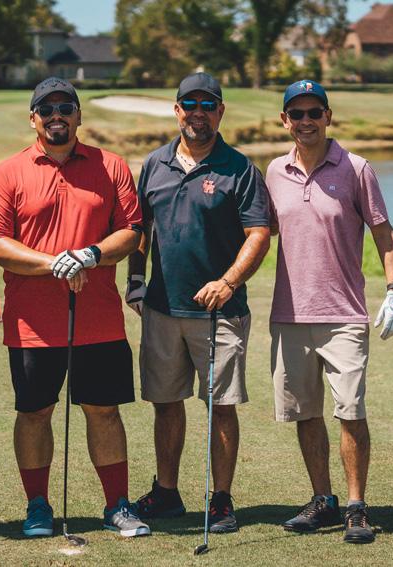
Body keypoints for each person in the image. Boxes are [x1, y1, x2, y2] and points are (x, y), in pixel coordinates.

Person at [0, 77, 150, 538]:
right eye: (47, 109)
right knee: (34, 413)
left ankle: (117, 505)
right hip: (32, 322)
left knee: (104, 410)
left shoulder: (110, 165)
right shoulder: (8, 173)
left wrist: (90, 255)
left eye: (65, 108)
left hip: (98, 318)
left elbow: (131, 233)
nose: (56, 116)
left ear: (78, 116)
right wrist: (55, 263)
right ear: (33, 118)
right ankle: (38, 506)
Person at [127, 72, 271, 533]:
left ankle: (221, 499)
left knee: (220, 406)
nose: (198, 113)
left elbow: (259, 234)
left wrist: (229, 282)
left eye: (208, 105)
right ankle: (167, 492)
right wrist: (135, 282)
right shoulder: (155, 164)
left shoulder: (240, 168)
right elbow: (140, 228)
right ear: (177, 110)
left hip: (219, 312)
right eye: (190, 104)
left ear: (220, 112)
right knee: (166, 403)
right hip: (162, 308)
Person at [265, 79, 393, 544]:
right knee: (306, 414)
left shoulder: (356, 168)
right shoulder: (274, 171)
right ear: (285, 120)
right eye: (297, 114)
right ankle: (323, 499)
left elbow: (383, 232)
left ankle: (356, 506)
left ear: (328, 116)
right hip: (290, 314)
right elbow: (259, 232)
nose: (306, 121)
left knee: (350, 411)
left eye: (314, 112)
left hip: (344, 313)